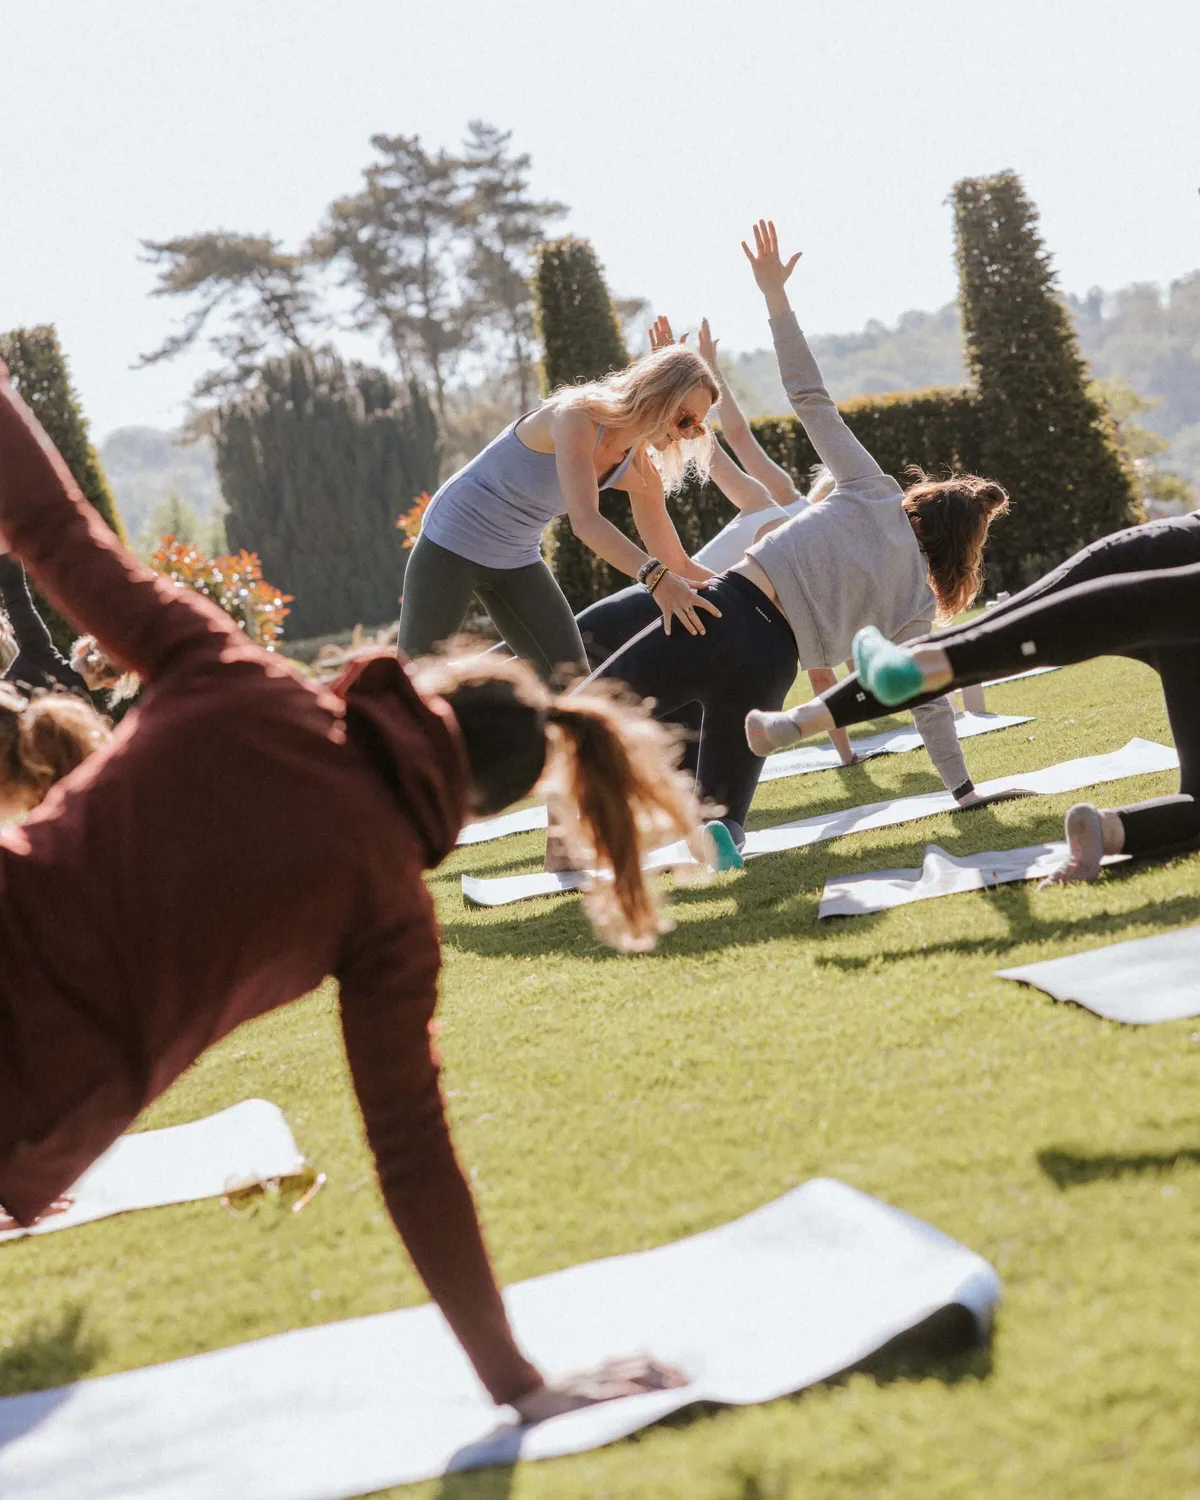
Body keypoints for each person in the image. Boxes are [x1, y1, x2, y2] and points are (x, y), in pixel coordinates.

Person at [0, 362, 699, 1421]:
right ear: (470, 814)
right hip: (34, 1117)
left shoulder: (236, 675)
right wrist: (520, 1383)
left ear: (427, 686)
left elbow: (53, 531)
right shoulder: (391, 917)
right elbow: (414, 1158)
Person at [586, 221, 1010, 868]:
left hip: (725, 615)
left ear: (924, 501)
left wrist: (775, 300)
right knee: (722, 826)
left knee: (573, 662)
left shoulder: (873, 489)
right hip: (770, 672)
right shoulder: (914, 607)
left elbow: (810, 399)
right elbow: (929, 704)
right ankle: (707, 833)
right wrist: (962, 789)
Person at [776, 512, 1200, 886]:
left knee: (1004, 628)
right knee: (1004, 635)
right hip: (1174, 557)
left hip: (1159, 560)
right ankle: (923, 666)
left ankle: (1104, 831)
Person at [575, 317, 860, 767]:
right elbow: (716, 443)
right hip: (657, 598)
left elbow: (828, 663)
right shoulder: (774, 508)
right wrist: (683, 371)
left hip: (685, 610)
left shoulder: (783, 515)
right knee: (558, 672)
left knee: (665, 728)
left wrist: (687, 372)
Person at [397, 344, 723, 683]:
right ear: (659, 395)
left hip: (516, 556)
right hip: (454, 538)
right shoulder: (576, 417)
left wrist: (745, 592)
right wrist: (656, 579)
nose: (686, 434)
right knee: (411, 679)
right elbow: (586, 522)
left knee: (570, 682)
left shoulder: (642, 474)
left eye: (696, 428)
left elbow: (678, 564)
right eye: (685, 419)